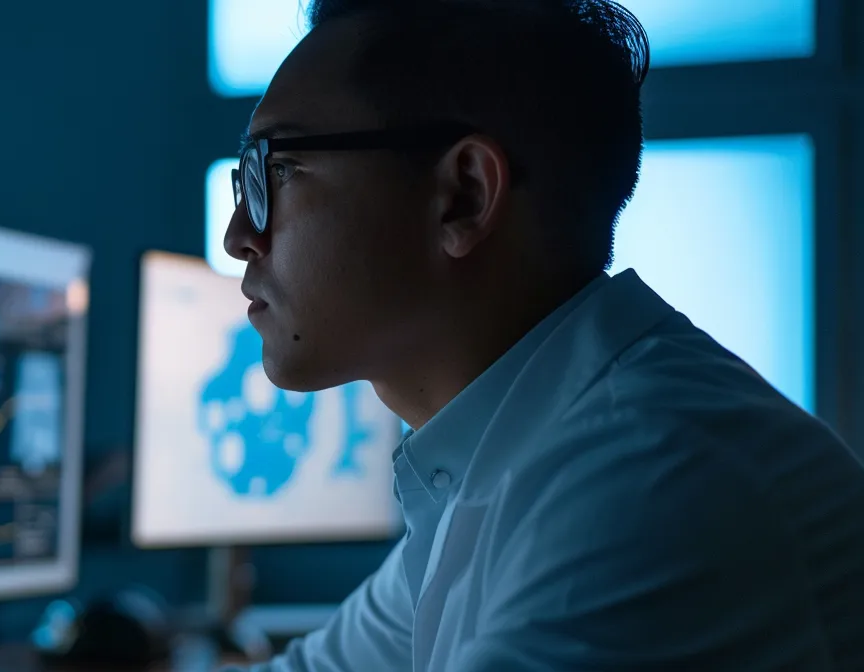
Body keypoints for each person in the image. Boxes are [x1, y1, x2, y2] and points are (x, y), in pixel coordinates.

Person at [222, 0, 864, 669]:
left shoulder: (651, 483)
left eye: (279, 170)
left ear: (464, 195)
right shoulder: (499, 466)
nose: (239, 236)